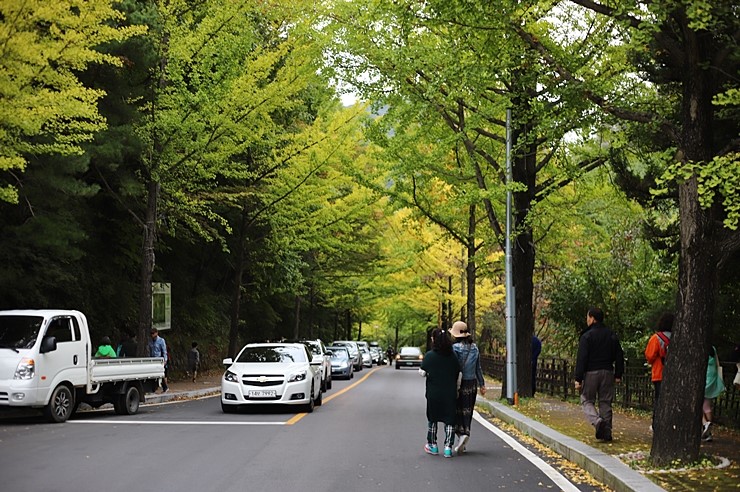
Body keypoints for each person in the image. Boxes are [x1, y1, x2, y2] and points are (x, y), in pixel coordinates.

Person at [574, 307, 624, 442]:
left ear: (592, 318)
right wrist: (618, 374)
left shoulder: (587, 336)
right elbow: (619, 354)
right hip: (608, 372)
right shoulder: (611, 335)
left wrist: (578, 378)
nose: (587, 320)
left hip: (591, 372)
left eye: (587, 317)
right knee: (605, 401)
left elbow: (582, 358)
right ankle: (606, 430)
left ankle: (597, 422)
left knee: (586, 399)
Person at [420, 328, 460, 458]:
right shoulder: (453, 356)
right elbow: (458, 373)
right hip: (450, 392)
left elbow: (422, 372)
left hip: (434, 392)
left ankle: (433, 445)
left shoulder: (430, 356)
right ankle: (448, 447)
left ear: (434, 340)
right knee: (449, 419)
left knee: (433, 418)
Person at [450, 321, 485, 455]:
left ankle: (461, 435)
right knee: (468, 410)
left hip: (460, 383)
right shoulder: (474, 348)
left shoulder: (455, 348)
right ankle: (465, 435)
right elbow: (478, 368)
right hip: (472, 383)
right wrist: (482, 384)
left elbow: (454, 367)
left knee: (458, 409)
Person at [644, 312, 673, 431]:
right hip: (675, 375)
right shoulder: (680, 337)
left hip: (659, 373)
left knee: (659, 400)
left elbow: (649, 356)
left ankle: (657, 424)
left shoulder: (656, 338)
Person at [702, 345, 726, 442]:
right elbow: (717, 363)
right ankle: (708, 432)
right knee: (707, 406)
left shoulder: (701, 348)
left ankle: (705, 424)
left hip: (705, 378)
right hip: (713, 377)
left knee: (696, 404)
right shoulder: (713, 348)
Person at [149, 328, 169, 393]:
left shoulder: (161, 340)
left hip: (159, 359)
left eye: (153, 333)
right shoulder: (151, 341)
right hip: (153, 359)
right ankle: (154, 388)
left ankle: (165, 387)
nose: (152, 335)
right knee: (154, 374)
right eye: (151, 334)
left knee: (160, 374)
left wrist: (165, 360)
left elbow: (164, 350)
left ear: (156, 333)